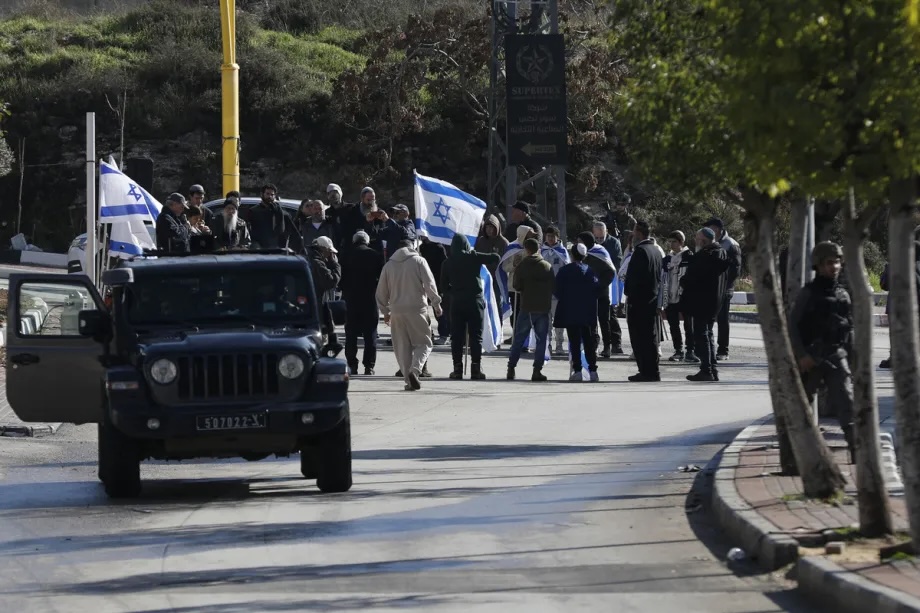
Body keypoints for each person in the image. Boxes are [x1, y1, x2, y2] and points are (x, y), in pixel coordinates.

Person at [789, 242, 855, 460]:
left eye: (837, 262)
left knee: (846, 403)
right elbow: (794, 327)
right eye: (829, 263)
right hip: (812, 358)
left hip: (836, 356)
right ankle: (798, 455)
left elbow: (848, 328)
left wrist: (852, 358)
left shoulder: (843, 294)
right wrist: (802, 356)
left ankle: (857, 451)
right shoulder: (808, 294)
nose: (834, 267)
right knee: (802, 408)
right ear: (818, 265)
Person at [375, 239, 442, 391]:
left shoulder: (389, 265)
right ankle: (415, 370)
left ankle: (408, 379)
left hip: (397, 311)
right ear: (412, 247)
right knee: (424, 343)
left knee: (402, 347)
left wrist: (385, 312)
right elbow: (429, 284)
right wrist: (436, 304)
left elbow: (380, 292)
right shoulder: (419, 261)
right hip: (417, 308)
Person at [441, 233, 501, 380]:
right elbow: (495, 258)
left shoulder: (447, 263)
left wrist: (454, 292)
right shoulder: (473, 257)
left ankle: (457, 369)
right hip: (475, 301)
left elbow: (443, 287)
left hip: (457, 302)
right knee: (476, 336)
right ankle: (475, 368)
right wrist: (475, 254)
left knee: (457, 337)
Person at [680, 228, 730, 381]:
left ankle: (706, 369)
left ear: (704, 240)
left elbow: (695, 277)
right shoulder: (721, 253)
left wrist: (684, 280)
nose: (695, 241)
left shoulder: (707, 255)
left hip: (702, 301)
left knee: (701, 335)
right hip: (714, 301)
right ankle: (712, 369)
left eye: (697, 238)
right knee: (708, 334)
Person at [506, 238, 555, 382]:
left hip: (526, 307)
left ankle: (511, 368)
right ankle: (537, 371)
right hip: (542, 308)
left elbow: (517, 286)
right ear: (538, 249)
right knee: (541, 341)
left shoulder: (522, 266)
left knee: (518, 339)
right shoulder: (547, 266)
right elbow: (553, 286)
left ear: (526, 250)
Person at [554, 243, 600, 382]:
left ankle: (578, 370)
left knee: (574, 341)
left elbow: (557, 290)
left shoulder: (565, 270)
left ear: (572, 255)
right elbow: (596, 289)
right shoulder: (590, 270)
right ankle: (593, 371)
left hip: (571, 311)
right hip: (587, 312)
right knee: (588, 341)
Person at [340, 231, 384, 375]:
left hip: (351, 299)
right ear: (367, 241)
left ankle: (352, 364)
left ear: (354, 241)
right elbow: (381, 277)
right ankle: (369, 366)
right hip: (370, 298)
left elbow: (341, 279)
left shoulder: (345, 255)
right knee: (370, 333)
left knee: (351, 334)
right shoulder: (375, 255)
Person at [624, 221, 663, 382]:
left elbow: (633, 278)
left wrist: (628, 294)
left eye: (634, 232)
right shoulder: (655, 250)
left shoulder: (640, 251)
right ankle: (652, 370)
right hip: (652, 299)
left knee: (640, 338)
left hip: (639, 301)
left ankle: (646, 371)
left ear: (639, 233)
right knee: (651, 337)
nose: (632, 236)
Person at [580, 230, 623, 357]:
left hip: (602, 293)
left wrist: (599, 285)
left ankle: (607, 347)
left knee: (604, 321)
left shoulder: (600, 252)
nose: (578, 244)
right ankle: (593, 345)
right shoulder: (584, 254)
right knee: (590, 321)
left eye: (581, 241)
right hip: (588, 294)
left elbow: (610, 272)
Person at [705, 217, 742, 361]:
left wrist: (724, 284)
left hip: (725, 289)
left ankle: (723, 350)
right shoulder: (712, 243)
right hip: (712, 287)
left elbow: (735, 269)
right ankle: (707, 349)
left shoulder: (731, 244)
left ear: (717, 229)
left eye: (710, 227)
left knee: (722, 319)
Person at [661, 230, 696, 362]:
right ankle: (678, 350)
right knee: (673, 324)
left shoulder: (689, 257)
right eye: (670, 242)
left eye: (674, 241)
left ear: (681, 242)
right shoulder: (667, 259)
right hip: (670, 296)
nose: (672, 244)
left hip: (685, 296)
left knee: (689, 324)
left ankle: (690, 351)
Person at [499, 225, 536, 337]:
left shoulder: (534, 248)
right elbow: (505, 267)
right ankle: (516, 335)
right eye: (529, 235)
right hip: (514, 287)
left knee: (527, 313)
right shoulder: (512, 248)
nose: (531, 237)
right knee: (516, 313)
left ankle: (525, 339)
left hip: (530, 287)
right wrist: (514, 264)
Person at [246, 184, 303, 252]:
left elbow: (291, 232)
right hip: (259, 247)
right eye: (267, 194)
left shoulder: (281, 212)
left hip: (277, 248)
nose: (269, 196)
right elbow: (248, 231)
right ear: (262, 194)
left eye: (272, 194)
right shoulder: (254, 211)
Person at [541, 226, 569, 354]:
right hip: (545, 291)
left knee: (558, 319)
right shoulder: (542, 251)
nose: (551, 239)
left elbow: (567, 269)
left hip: (558, 292)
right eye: (548, 236)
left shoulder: (562, 252)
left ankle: (559, 344)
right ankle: (547, 344)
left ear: (557, 237)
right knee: (546, 320)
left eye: (553, 236)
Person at [474, 213, 509, 311]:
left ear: (496, 228)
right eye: (487, 227)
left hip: (497, 278)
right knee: (483, 303)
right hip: (483, 277)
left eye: (491, 227)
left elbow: (507, 261)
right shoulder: (481, 241)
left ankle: (499, 324)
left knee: (497, 304)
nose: (489, 230)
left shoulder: (503, 242)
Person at [419, 236, 449, 345]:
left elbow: (444, 265)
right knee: (422, 309)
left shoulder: (438, 247)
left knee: (439, 309)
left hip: (436, 282)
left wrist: (442, 284)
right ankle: (427, 332)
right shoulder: (421, 248)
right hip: (423, 282)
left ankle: (444, 334)